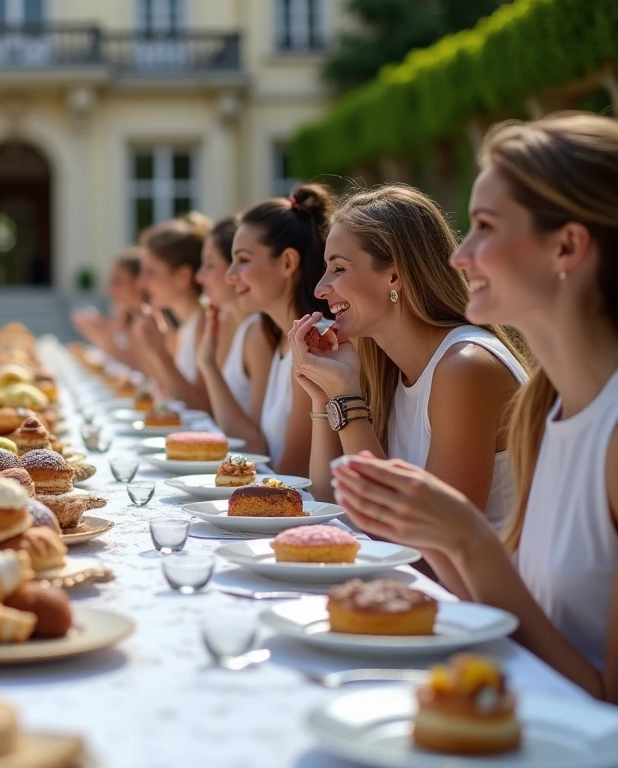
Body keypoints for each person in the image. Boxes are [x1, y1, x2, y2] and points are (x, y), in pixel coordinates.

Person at [331, 114, 618, 701]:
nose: (460, 255)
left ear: (567, 246)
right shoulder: (546, 408)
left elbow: (608, 705)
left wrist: (467, 543)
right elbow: (496, 615)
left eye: (484, 227)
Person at [289, 186, 527, 529]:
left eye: (338, 269)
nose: (320, 288)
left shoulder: (466, 366)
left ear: (394, 275)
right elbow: (333, 505)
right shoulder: (384, 366)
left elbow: (431, 540)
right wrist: (326, 397)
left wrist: (346, 398)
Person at [217, 185, 332, 475]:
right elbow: (258, 446)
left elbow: (293, 470)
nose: (230, 275)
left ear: (287, 262)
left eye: (242, 260)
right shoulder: (276, 337)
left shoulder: (317, 341)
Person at [129, 213, 209, 410]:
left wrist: (159, 351)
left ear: (182, 276)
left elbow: (204, 408)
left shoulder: (205, 324)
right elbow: (169, 389)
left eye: (151, 272)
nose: (140, 282)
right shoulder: (185, 328)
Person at [196, 216, 272, 421]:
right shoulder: (228, 321)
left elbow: (256, 441)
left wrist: (207, 363)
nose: (199, 276)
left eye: (210, 265)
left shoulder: (258, 334)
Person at [72, 248, 144, 368]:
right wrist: (98, 332)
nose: (109, 289)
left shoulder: (154, 321)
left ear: (139, 282)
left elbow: (138, 366)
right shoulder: (124, 313)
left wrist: (99, 334)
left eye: (118, 281)